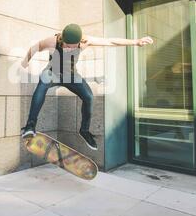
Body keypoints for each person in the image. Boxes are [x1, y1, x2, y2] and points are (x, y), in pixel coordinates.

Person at [20, 23, 154, 150]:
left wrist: (136, 42)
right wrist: (25, 63)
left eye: (73, 46)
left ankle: (84, 131)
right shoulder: (52, 41)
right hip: (52, 72)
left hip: (72, 75)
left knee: (89, 96)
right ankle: (30, 126)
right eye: (67, 45)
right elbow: (34, 48)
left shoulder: (86, 41)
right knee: (41, 86)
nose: (70, 49)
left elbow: (111, 41)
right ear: (62, 39)